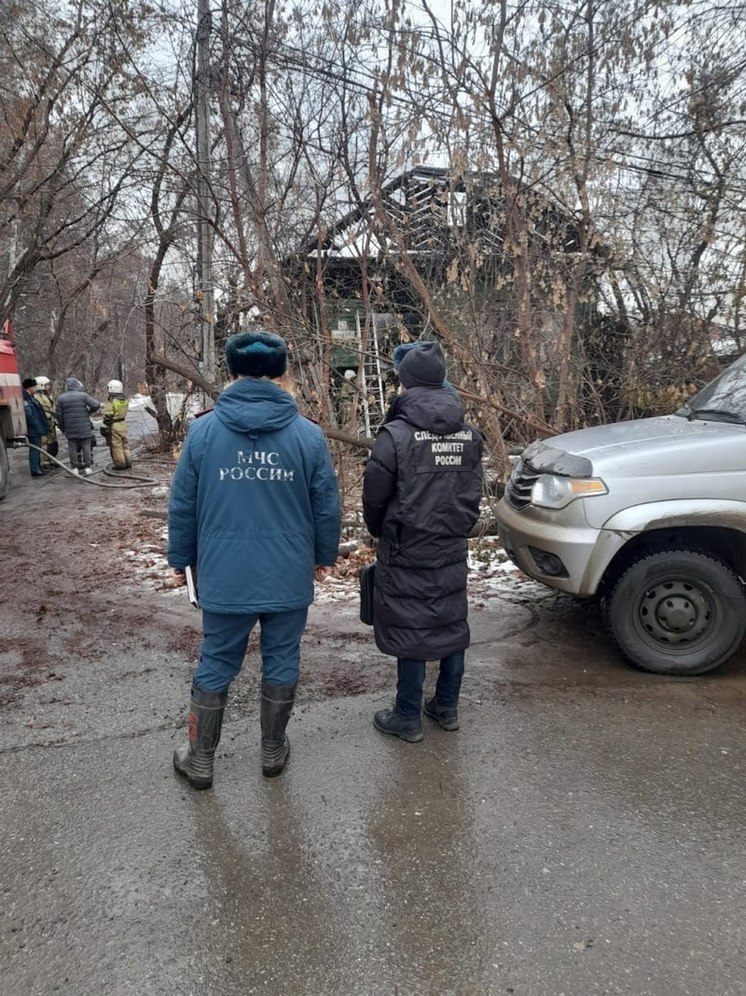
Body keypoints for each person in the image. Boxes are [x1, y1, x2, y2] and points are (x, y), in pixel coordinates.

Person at [168, 329, 341, 790]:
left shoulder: (203, 432)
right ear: (282, 373)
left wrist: (181, 559)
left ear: (232, 371)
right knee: (282, 657)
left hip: (224, 573)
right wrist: (323, 555)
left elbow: (182, 502)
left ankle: (201, 758)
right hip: (288, 570)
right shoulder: (308, 436)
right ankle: (272, 750)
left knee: (217, 660)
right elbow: (326, 503)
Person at [362, 341, 483, 743]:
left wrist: (383, 532)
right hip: (450, 545)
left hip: (406, 545)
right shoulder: (470, 435)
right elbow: (472, 492)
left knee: (411, 627)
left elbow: (374, 499)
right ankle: (446, 708)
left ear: (406, 382)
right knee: (450, 623)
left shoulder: (395, 436)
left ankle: (407, 716)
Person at [55, 377, 101, 476]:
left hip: (70, 428)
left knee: (72, 447)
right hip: (84, 427)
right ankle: (88, 467)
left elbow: (59, 416)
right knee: (86, 446)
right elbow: (96, 404)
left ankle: (74, 468)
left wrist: (63, 428)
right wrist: (89, 412)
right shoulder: (83, 396)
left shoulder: (61, 398)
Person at [21, 378, 49, 478]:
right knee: (34, 450)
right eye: (34, 386)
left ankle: (38, 467)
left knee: (37, 449)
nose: (36, 388)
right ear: (30, 387)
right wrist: (36, 426)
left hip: (36, 428)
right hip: (33, 429)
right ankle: (35, 469)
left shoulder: (31, 397)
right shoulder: (26, 399)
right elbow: (29, 415)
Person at [101, 379, 132, 470]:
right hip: (123, 424)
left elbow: (108, 416)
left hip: (115, 425)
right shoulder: (124, 400)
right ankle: (128, 461)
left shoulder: (112, 402)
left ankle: (120, 464)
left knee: (116, 446)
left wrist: (105, 426)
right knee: (125, 444)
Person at [33, 376, 58, 470]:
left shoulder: (48, 396)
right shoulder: (38, 397)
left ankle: (51, 460)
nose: (49, 387)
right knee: (45, 443)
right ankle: (45, 462)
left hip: (50, 423)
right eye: (47, 385)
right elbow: (46, 409)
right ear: (41, 386)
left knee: (52, 443)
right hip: (44, 422)